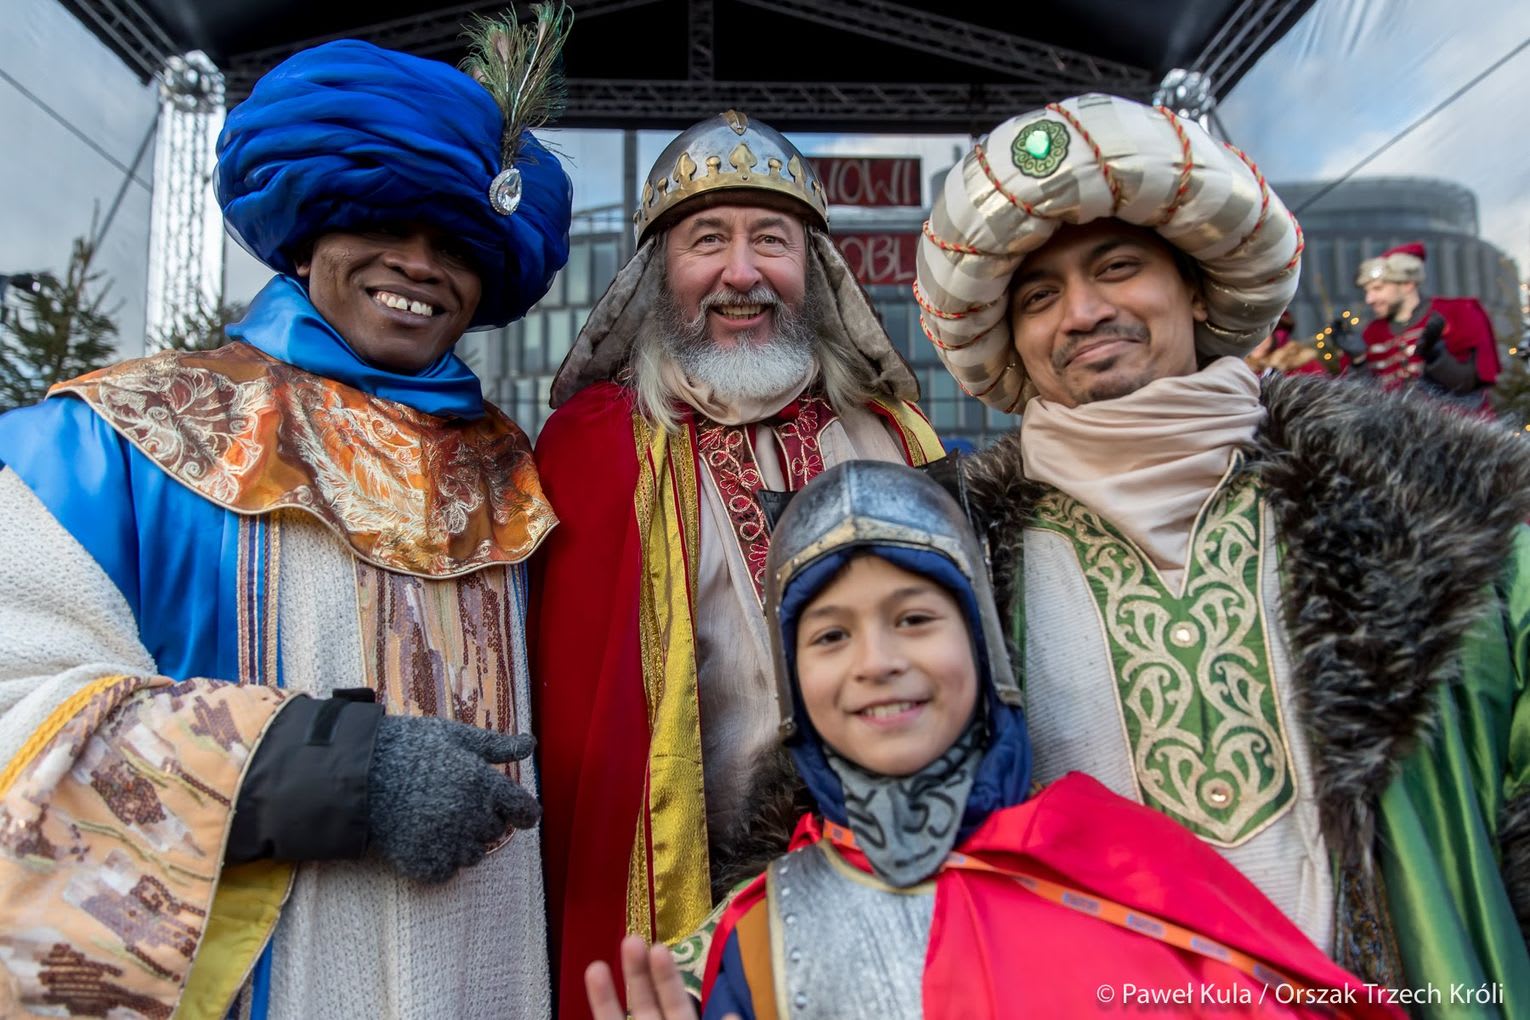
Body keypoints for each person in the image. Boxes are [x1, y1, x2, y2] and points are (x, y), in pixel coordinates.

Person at [0, 14, 573, 1018]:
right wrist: (333, 772)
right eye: (384, 226)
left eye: (454, 243)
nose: (418, 264)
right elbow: (15, 708)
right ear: (311, 238)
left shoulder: (516, 481)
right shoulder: (116, 440)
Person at [916, 94, 1530, 1013]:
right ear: (1014, 340)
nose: (1082, 313)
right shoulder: (953, 556)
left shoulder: (1435, 507)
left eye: (1117, 267)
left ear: (1196, 287)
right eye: (1039, 296)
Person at [584, 461, 1399, 1020]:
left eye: (914, 619)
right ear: (793, 684)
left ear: (983, 646)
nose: (879, 663)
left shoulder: (1125, 876)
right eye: (830, 636)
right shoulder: (759, 934)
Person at [530, 109, 944, 1016]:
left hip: (895, 884)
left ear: (816, 273)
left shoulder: (895, 441)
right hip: (681, 899)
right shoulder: (588, 451)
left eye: (773, 240)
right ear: (653, 279)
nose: (743, 272)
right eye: (706, 240)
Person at [1349, 242, 1500, 409]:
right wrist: (1359, 361)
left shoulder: (1459, 313)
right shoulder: (1371, 334)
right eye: (1367, 291)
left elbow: (1470, 385)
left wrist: (1436, 357)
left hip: (1457, 429)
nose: (1369, 299)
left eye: (1378, 288)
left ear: (1407, 284)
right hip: (1396, 431)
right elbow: (1366, 401)